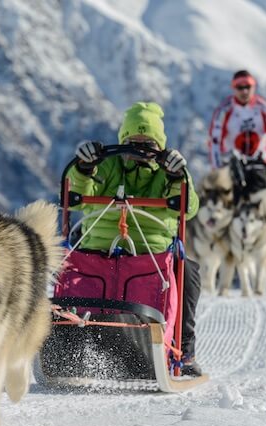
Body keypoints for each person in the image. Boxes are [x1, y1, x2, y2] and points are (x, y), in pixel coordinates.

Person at [70, 102, 203, 376]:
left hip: (151, 254)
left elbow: (188, 209)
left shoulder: (168, 173)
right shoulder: (107, 165)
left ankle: (183, 350)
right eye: (133, 141)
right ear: (122, 141)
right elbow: (76, 197)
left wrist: (179, 176)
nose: (139, 148)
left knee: (187, 272)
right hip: (98, 250)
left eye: (147, 142)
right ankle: (65, 339)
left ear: (159, 144)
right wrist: (84, 168)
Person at [208, 69, 266, 254]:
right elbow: (214, 141)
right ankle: (224, 246)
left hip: (259, 163)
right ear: (233, 88)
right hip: (232, 166)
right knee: (229, 204)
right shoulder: (224, 112)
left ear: (253, 87)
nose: (244, 91)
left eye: (248, 87)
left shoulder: (264, 109)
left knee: (264, 202)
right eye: (240, 87)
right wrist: (217, 170)